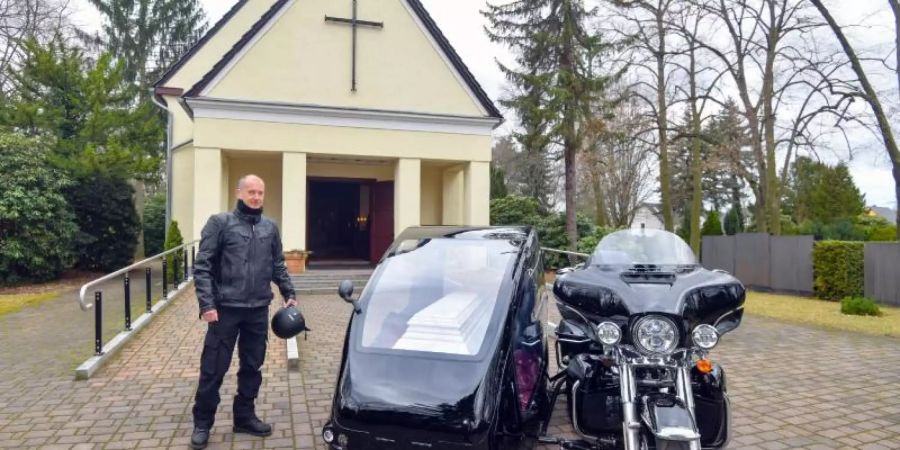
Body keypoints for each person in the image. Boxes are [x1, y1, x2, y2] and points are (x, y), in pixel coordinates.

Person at [189, 174, 297, 449]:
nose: (256, 197)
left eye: (260, 192)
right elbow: (202, 267)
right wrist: (207, 305)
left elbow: (277, 264)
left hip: (258, 310)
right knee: (213, 369)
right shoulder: (220, 224)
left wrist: (289, 292)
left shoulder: (270, 228)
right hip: (225, 311)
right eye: (251, 192)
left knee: (252, 367)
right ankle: (202, 423)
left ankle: (244, 417)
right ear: (239, 193)